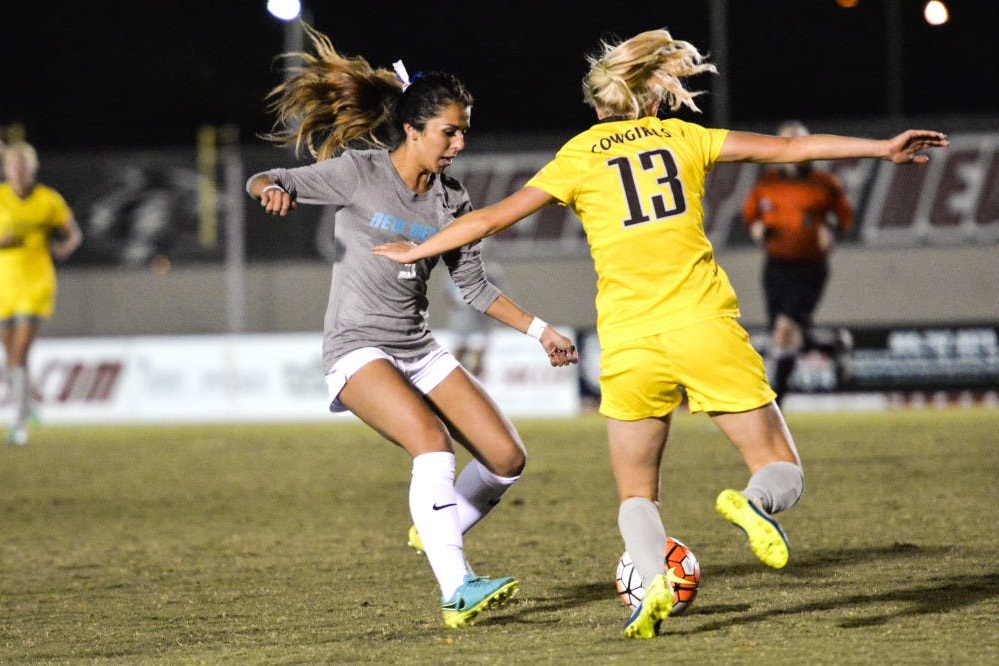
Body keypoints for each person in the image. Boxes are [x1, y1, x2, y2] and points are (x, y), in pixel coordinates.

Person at [371, 28, 948, 639]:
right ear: (650, 100)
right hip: (702, 325)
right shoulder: (683, 136)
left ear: (597, 110)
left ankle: (652, 585)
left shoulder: (579, 156)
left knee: (636, 493)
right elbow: (783, 150)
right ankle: (754, 501)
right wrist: (883, 147)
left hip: (627, 342)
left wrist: (419, 250)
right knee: (780, 465)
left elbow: (488, 218)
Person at [245, 25, 578, 629]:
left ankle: (437, 524)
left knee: (507, 457)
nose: (457, 144)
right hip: (356, 349)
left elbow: (473, 287)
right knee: (431, 442)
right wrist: (270, 190)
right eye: (448, 132)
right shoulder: (359, 173)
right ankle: (457, 588)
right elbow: (267, 179)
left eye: (463, 134)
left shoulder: (453, 200)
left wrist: (541, 330)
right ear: (412, 129)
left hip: (418, 349)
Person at [742, 120, 854, 406]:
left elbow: (844, 218)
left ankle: (775, 402)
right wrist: (757, 229)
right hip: (775, 266)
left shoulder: (825, 184)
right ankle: (832, 343)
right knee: (782, 336)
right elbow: (750, 217)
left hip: (809, 268)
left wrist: (832, 233)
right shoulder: (766, 183)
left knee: (785, 331)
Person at [0, 141, 83, 446]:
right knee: (10, 358)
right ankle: (27, 405)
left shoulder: (48, 200)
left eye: (24, 166)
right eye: (14, 166)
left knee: (20, 353)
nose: (19, 172)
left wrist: (65, 247)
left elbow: (73, 233)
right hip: (3, 286)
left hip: (36, 285)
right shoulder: (0, 199)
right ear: (6, 169)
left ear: (32, 169)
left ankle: (19, 425)